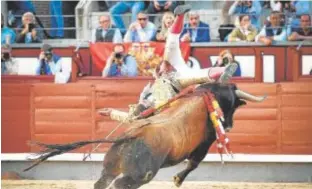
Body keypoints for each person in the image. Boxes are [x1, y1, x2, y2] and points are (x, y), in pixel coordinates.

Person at [99, 4, 239, 122]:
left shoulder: (147, 94)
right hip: (177, 82)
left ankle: (180, 15)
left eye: (141, 104)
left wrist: (112, 112)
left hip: (172, 72)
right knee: (201, 75)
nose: (144, 103)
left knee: (171, 41)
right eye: (144, 105)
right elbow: (132, 118)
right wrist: (112, 113)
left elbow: (131, 116)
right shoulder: (156, 108)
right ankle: (224, 70)